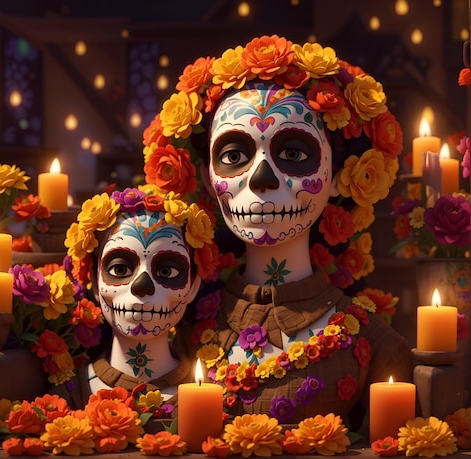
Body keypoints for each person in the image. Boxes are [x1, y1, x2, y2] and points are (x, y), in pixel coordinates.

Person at [141, 34, 414, 429]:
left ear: (339, 174)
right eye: (234, 156)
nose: (262, 178)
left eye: (293, 154)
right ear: (207, 177)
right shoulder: (178, 325)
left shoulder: (369, 339)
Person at [58, 187, 219, 410]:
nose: (142, 287)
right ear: (95, 284)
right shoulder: (71, 392)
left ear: (192, 287)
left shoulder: (211, 391)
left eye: (167, 272)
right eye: (119, 269)